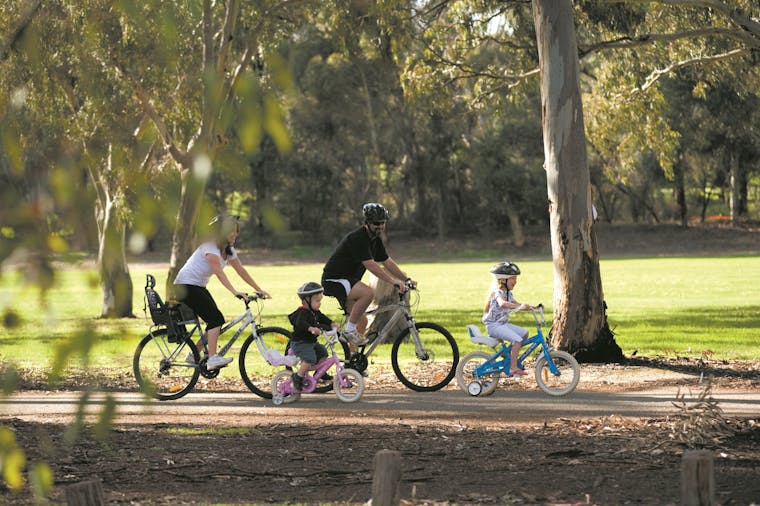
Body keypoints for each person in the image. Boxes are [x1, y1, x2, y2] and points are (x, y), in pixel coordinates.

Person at [174, 213, 271, 370]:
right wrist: (235, 291)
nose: (235, 234)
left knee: (216, 321)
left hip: (196, 286)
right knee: (215, 319)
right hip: (185, 286)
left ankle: (193, 354)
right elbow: (219, 272)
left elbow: (241, 270)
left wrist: (258, 289)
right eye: (231, 230)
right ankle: (212, 359)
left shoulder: (228, 249)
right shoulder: (210, 246)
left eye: (236, 230)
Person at [321, 203, 416, 346]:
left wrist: (406, 279)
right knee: (368, 293)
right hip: (335, 280)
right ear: (367, 223)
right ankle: (348, 331)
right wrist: (393, 281)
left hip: (348, 281)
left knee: (362, 321)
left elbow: (387, 262)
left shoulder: (375, 240)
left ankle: (351, 364)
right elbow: (370, 265)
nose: (380, 226)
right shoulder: (359, 238)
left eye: (383, 223)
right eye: (376, 223)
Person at [482, 261, 534, 377]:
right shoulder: (497, 293)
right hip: (494, 326)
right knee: (517, 340)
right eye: (512, 279)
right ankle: (513, 368)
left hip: (503, 324)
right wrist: (519, 306)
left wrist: (532, 308)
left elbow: (517, 303)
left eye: (515, 279)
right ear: (503, 280)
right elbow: (502, 304)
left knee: (524, 334)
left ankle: (508, 354)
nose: (515, 282)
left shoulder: (508, 294)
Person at [288, 282, 339, 391]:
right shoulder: (302, 312)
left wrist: (331, 323)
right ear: (306, 300)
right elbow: (300, 323)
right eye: (317, 301)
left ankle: (320, 373)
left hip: (310, 343)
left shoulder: (314, 312)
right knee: (310, 358)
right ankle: (298, 377)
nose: (319, 303)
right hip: (300, 343)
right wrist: (310, 328)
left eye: (320, 301)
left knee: (323, 352)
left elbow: (322, 318)